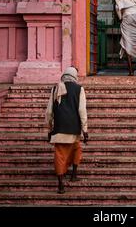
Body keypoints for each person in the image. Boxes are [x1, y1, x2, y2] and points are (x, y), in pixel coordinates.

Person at [45, 66, 88, 194]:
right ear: (75, 76)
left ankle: (61, 185)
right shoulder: (79, 89)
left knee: (59, 156)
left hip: (59, 129)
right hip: (74, 128)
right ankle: (73, 175)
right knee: (76, 150)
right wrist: (85, 130)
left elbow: (49, 112)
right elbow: (82, 111)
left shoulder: (56, 89)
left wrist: (49, 129)